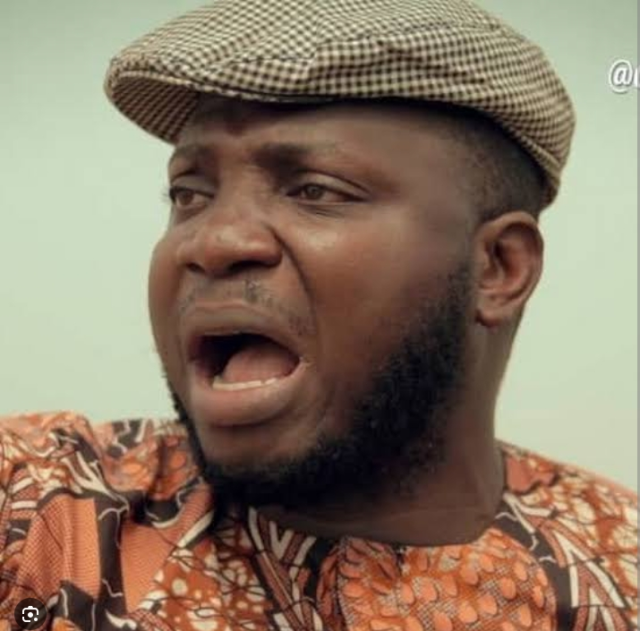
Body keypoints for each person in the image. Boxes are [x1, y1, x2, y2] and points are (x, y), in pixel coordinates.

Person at [0, 0, 636, 629]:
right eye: (189, 194)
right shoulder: (39, 517)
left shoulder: (620, 568)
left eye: (316, 190)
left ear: (498, 267)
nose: (212, 241)